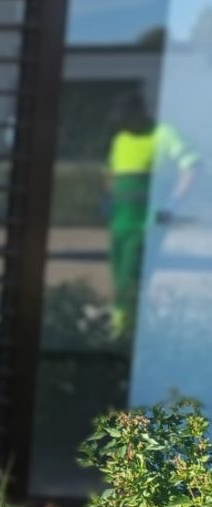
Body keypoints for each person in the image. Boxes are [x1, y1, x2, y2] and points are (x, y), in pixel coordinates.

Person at [105, 92, 199, 338]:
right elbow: (113, 175)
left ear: (138, 113)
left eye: (125, 117)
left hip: (146, 222)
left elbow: (191, 167)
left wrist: (171, 206)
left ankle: (121, 333)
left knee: (131, 279)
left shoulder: (163, 134)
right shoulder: (120, 139)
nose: (121, 122)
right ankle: (127, 328)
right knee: (119, 278)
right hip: (120, 222)